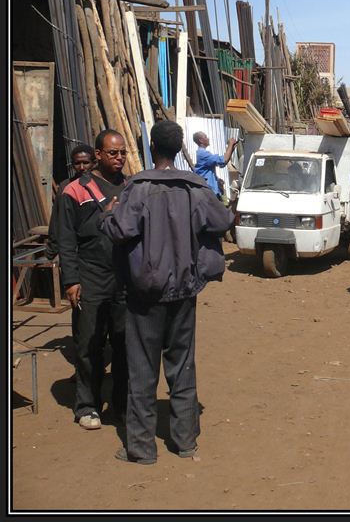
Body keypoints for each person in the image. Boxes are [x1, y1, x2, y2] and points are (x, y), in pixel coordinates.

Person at [99, 120, 233, 464]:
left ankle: (142, 449)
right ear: (178, 148)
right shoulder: (196, 187)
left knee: (142, 372)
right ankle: (185, 441)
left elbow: (120, 230)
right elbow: (222, 221)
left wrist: (107, 215)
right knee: (182, 366)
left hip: (144, 296)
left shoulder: (138, 188)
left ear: (152, 147)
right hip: (185, 291)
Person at [55, 130, 130, 430]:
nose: (120, 158)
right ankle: (87, 405)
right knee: (89, 344)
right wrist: (71, 280)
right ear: (98, 154)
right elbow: (65, 239)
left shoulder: (131, 187)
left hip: (124, 278)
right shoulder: (74, 190)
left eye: (123, 152)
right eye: (113, 153)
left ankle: (123, 406)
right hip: (90, 276)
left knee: (124, 345)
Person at [45, 144, 96, 260]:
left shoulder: (100, 185)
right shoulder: (66, 187)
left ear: (94, 163)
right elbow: (57, 220)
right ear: (72, 165)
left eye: (86, 163)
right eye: (77, 163)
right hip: (76, 248)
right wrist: (52, 249)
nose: (82, 167)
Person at [192, 132, 237, 199]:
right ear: (201, 140)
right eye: (205, 137)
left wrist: (231, 149)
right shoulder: (203, 154)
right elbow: (223, 160)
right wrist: (230, 144)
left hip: (210, 191)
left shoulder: (202, 153)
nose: (208, 138)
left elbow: (222, 164)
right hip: (208, 193)